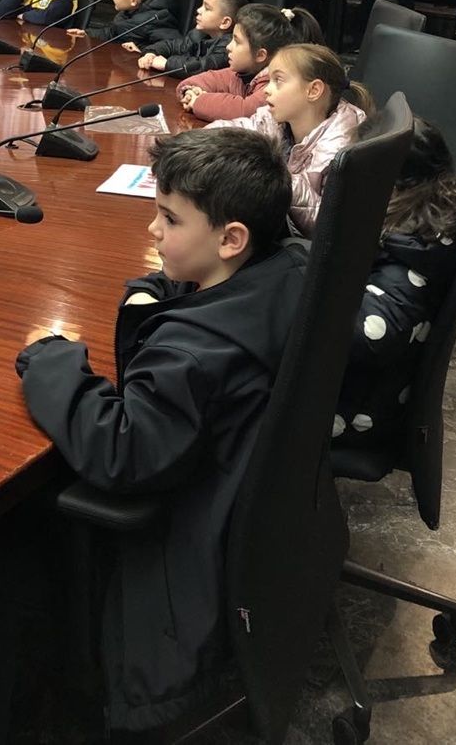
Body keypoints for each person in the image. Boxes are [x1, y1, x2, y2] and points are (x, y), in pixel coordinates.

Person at [16, 126, 304, 733]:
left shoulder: (190, 355)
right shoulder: (288, 270)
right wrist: (158, 293)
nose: (153, 230)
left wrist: (50, 360)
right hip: (260, 527)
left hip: (178, 566)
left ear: (231, 238)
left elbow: (121, 449)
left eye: (170, 220)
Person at [333, 116, 456, 450]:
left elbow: (371, 337)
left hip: (352, 411)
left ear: (392, 184)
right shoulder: (428, 222)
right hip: (362, 391)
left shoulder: (410, 247)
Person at [208, 43, 373, 236]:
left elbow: (328, 224)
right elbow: (242, 128)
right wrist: (196, 141)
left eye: (278, 80)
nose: (267, 90)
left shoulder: (340, 146)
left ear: (313, 90)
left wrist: (277, 180)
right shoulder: (276, 120)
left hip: (305, 246)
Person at [177, 2, 321, 121]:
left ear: (260, 55)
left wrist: (198, 101)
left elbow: (245, 110)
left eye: (237, 42)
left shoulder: (275, 83)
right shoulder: (242, 72)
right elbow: (211, 78)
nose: (228, 47)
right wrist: (190, 91)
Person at [134, 0, 252, 73]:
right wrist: (151, 53)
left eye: (207, 8)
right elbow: (172, 45)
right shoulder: (199, 33)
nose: (198, 10)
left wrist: (166, 64)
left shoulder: (230, 46)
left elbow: (204, 67)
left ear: (225, 22)